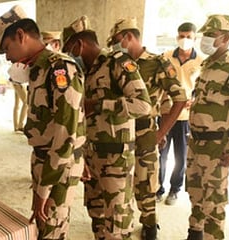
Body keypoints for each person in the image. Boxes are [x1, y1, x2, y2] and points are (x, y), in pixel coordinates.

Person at [0, 5, 86, 240]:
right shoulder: (38, 68)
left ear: (21, 36)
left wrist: (42, 191)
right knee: (46, 226)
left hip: (58, 166)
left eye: (7, 47)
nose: (6, 55)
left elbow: (66, 135)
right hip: (45, 160)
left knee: (50, 229)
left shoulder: (60, 68)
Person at [62, 16, 151, 240]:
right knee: (97, 215)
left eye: (69, 49)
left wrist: (100, 105)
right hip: (92, 158)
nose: (69, 56)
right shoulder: (85, 72)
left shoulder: (117, 61)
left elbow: (143, 105)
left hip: (116, 158)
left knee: (117, 221)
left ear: (79, 45)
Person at [106, 18, 188, 239]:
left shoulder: (157, 63)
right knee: (118, 182)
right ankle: (120, 223)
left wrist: (161, 133)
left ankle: (150, 224)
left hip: (143, 133)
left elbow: (179, 98)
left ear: (129, 37)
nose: (114, 44)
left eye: (117, 40)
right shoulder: (114, 62)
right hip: (116, 133)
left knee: (145, 183)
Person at [186, 14, 229, 240]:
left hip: (217, 146)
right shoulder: (207, 65)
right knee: (196, 195)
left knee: (214, 203)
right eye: (204, 34)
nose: (204, 39)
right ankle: (194, 233)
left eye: (210, 35)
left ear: (225, 38)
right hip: (195, 143)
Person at [157, 22, 204, 206]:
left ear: (195, 38)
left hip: (185, 116)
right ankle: (158, 189)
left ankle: (174, 190)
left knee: (180, 156)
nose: (184, 40)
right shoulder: (166, 57)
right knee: (160, 153)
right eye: (181, 36)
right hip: (166, 113)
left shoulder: (201, 62)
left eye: (188, 37)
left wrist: (196, 100)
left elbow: (202, 88)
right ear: (177, 37)